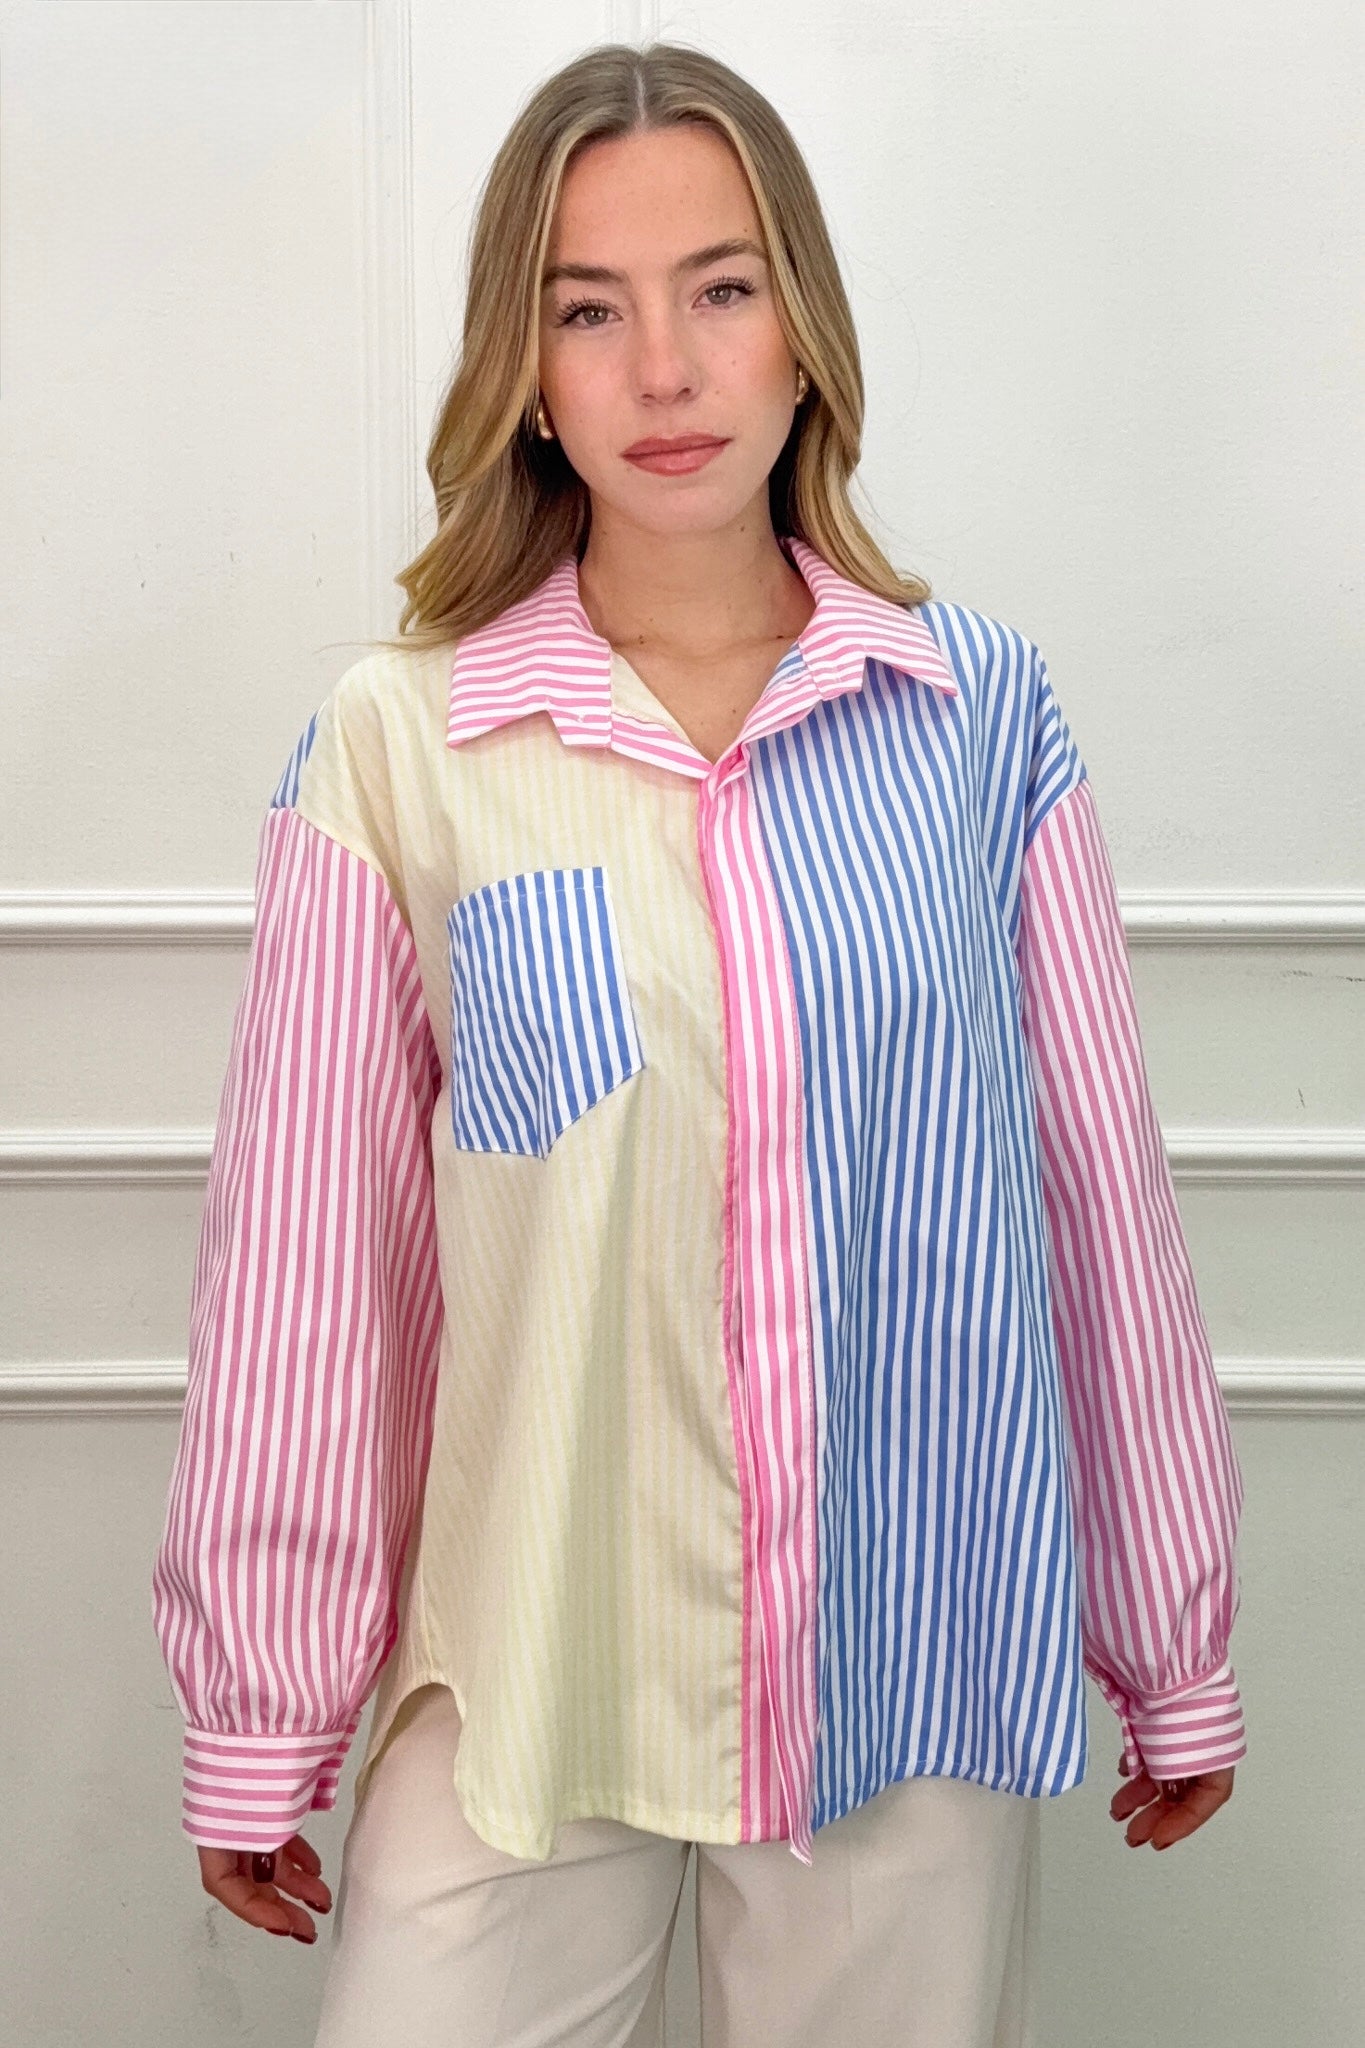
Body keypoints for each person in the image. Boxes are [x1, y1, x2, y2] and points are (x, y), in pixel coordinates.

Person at [150, 39, 1247, 2048]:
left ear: (801, 328)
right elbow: (314, 1272)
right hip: (537, 1674)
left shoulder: (976, 719)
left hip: (897, 1675)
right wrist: (264, 1706)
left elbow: (1095, 1205)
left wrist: (1166, 1636)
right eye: (587, 309)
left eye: (718, 289)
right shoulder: (402, 747)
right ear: (525, 369)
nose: (662, 369)